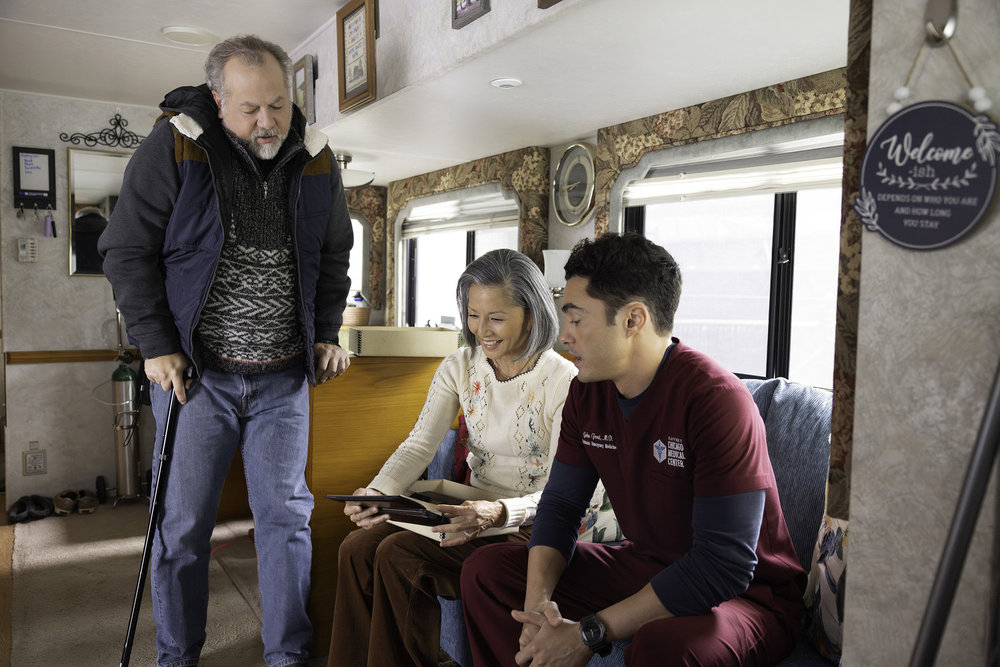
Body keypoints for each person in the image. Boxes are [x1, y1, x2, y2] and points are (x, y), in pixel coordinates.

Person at [99, 35, 353, 667]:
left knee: (286, 523)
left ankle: (287, 657)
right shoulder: (177, 143)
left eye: (278, 105)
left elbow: (332, 255)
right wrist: (155, 344)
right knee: (182, 528)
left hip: (283, 380)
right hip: (197, 378)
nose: (267, 121)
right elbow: (126, 251)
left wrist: (326, 329)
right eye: (249, 109)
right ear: (218, 99)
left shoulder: (318, 156)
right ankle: (177, 656)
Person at [461, 233, 806, 666]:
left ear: (633, 320)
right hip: (646, 564)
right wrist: (538, 609)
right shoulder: (588, 392)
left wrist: (589, 632)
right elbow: (562, 505)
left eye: (576, 319)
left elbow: (725, 565)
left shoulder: (716, 400)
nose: (563, 337)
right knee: (488, 571)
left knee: (665, 646)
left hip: (748, 596)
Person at [329, 248, 578, 666]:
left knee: (398, 554)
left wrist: (498, 511)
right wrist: (377, 492)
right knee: (356, 547)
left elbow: (563, 494)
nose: (482, 329)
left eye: (496, 317)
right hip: (467, 506)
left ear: (532, 314)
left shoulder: (562, 381)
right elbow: (418, 445)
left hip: (528, 522)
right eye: (473, 315)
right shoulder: (460, 365)